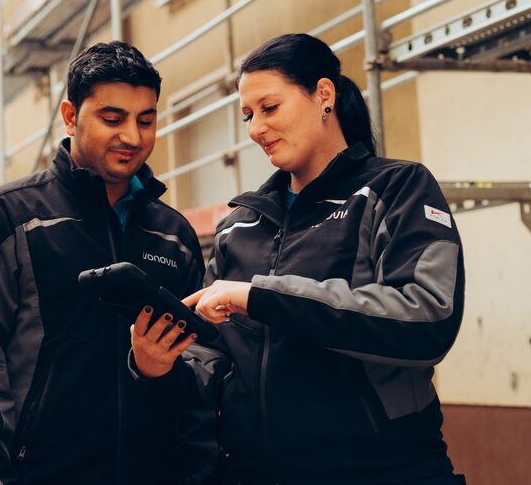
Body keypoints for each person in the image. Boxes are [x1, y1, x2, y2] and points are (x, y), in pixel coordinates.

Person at [130, 33, 466, 484]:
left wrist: (260, 296)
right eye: (248, 115)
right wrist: (159, 366)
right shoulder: (239, 226)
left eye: (269, 108)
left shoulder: (395, 190)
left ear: (323, 95)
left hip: (383, 470)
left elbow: (428, 319)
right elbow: (213, 355)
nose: (255, 129)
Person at [0, 42, 215, 485]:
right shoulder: (7, 219)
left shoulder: (174, 236)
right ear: (71, 116)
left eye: (146, 120)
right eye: (113, 118)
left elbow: (200, 369)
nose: (132, 136)